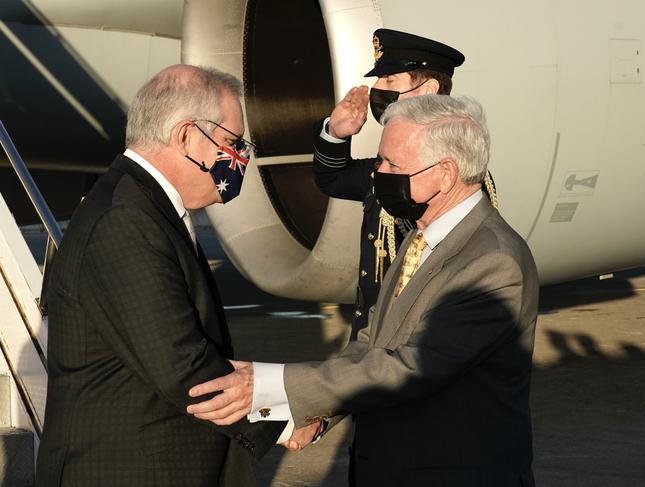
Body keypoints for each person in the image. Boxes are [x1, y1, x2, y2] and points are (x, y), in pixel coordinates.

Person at [187, 95, 538, 487]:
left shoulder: (492, 260)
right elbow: (373, 344)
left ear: (445, 173)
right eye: (379, 161)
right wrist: (318, 412)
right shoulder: (420, 237)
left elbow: (410, 367)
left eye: (391, 164)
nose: (378, 174)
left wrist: (269, 384)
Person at [35, 65, 289, 487]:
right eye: (230, 142)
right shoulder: (125, 220)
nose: (239, 158)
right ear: (187, 136)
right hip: (126, 470)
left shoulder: (142, 205)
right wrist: (283, 418)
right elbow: (180, 363)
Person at [314, 28, 499, 340]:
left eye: (389, 81)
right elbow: (331, 179)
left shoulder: (455, 173)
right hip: (375, 332)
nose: (376, 90)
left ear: (429, 89)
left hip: (420, 337)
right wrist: (336, 132)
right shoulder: (384, 168)